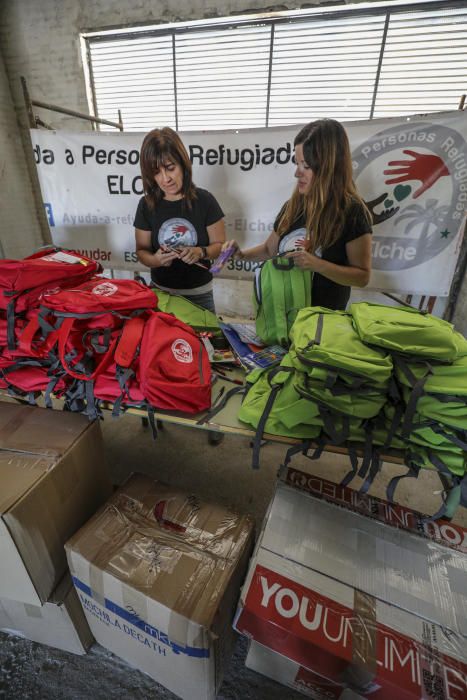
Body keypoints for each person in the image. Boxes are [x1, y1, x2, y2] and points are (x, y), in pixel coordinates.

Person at [223, 119, 372, 310]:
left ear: (329, 166)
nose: (297, 173)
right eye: (297, 163)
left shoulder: (353, 212)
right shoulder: (293, 206)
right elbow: (269, 250)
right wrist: (241, 255)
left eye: (306, 166)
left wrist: (318, 265)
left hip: (322, 326)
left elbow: (362, 277)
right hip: (283, 321)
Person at [134, 127, 225, 313]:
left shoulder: (205, 200)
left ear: (183, 163)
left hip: (200, 296)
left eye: (170, 168)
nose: (165, 178)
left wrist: (201, 252)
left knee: (204, 343)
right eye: (156, 172)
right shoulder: (146, 205)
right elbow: (141, 251)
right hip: (161, 295)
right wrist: (156, 260)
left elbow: (222, 249)